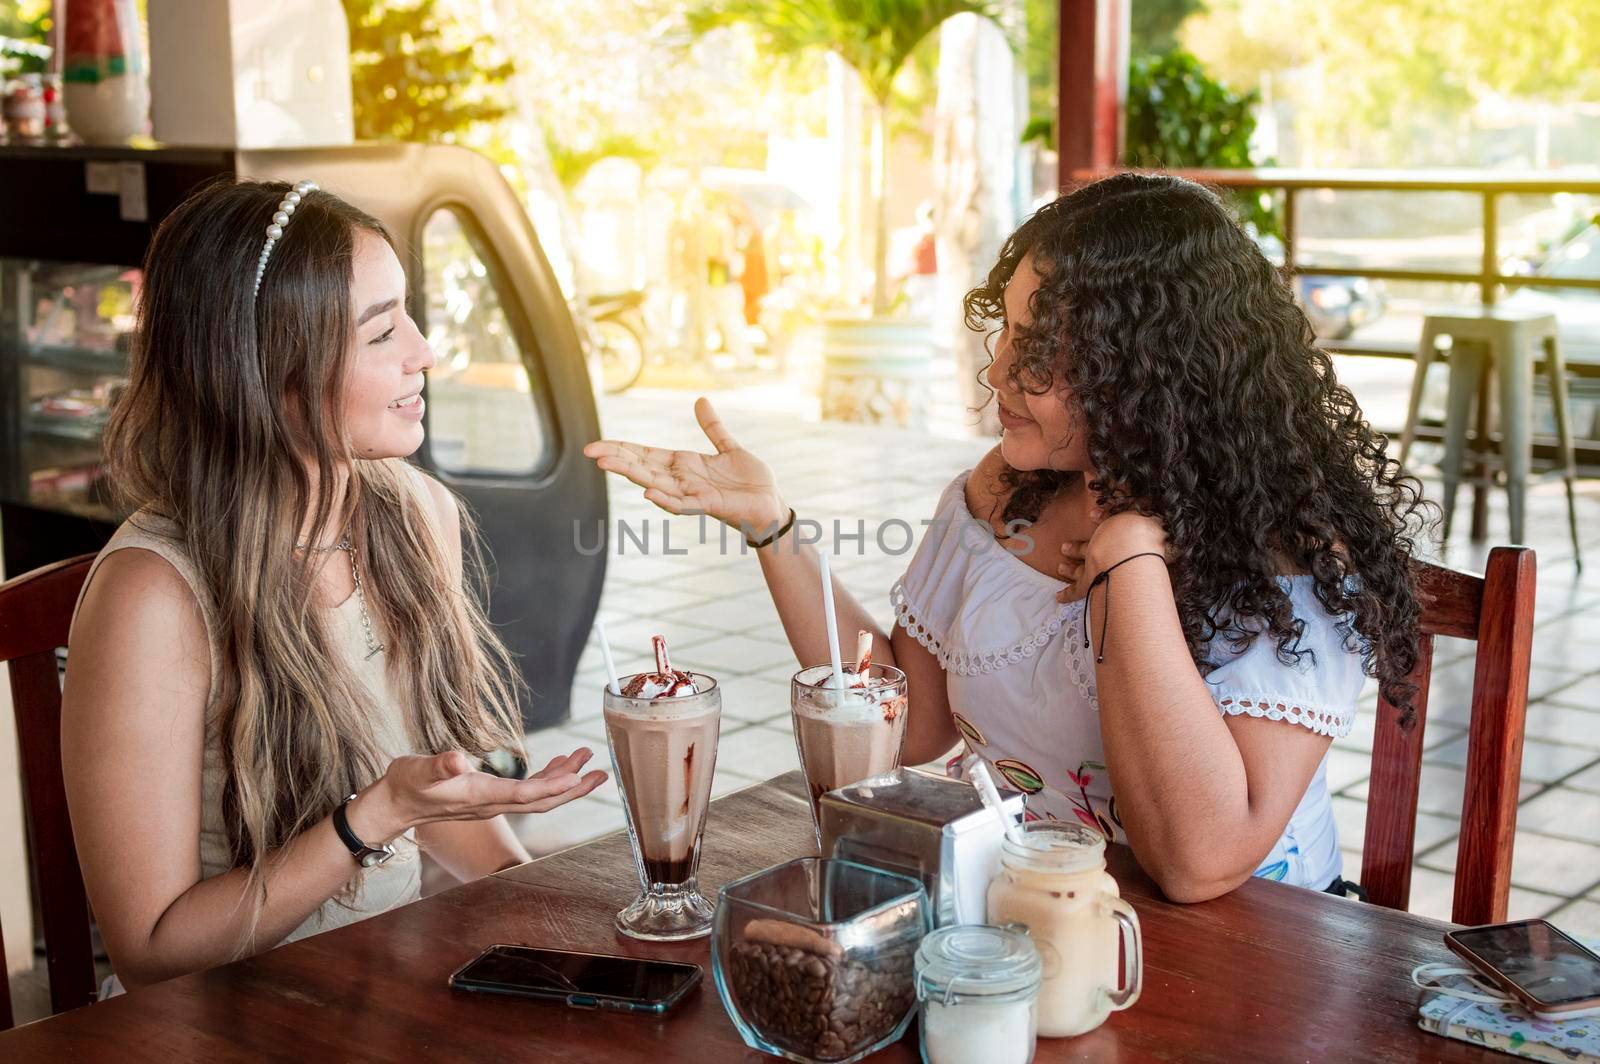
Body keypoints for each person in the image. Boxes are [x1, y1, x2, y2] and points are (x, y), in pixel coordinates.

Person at [584, 173, 1428, 902]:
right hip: (1029, 912)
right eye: (1009, 332)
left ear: (1151, 370)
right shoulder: (1008, 490)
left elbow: (1200, 864)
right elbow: (911, 731)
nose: (998, 372)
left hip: (1244, 970)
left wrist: (1127, 553)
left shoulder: (1288, 550)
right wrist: (773, 527)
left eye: (1042, 350)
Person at [62, 178, 606, 992]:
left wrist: (540, 935)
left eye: (408, 316)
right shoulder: (152, 597)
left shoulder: (415, 514)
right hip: (220, 1023)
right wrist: (373, 817)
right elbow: (152, 950)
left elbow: (435, 805)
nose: (424, 351)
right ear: (266, 372)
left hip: (377, 991)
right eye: (384, 331)